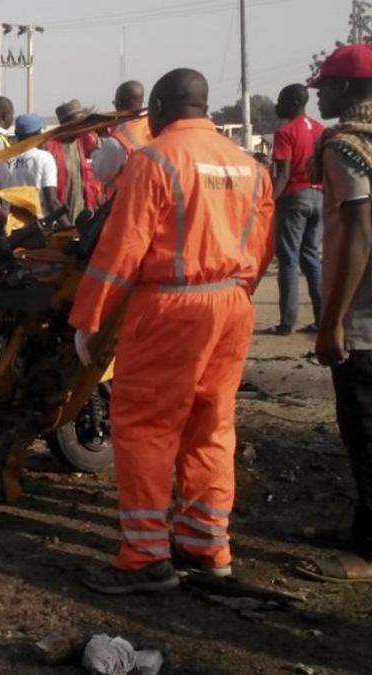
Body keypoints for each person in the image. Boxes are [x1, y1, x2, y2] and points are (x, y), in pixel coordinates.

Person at [70, 68, 274, 593]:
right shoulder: (249, 165)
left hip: (170, 310)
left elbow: (120, 253)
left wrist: (89, 320)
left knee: (145, 427)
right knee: (211, 425)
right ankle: (206, 548)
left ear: (159, 106)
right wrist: (233, 296)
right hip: (231, 303)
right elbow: (261, 248)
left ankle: (144, 557)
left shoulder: (154, 160)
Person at [302, 43, 372, 583]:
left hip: (365, 317)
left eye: (324, 86)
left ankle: (367, 552)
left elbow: (356, 231)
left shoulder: (349, 147)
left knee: (364, 431)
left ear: (346, 89)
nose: (319, 95)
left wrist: (333, 322)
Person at [266, 83, 325, 335]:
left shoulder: (285, 132)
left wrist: (268, 202)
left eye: (280, 101)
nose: (276, 106)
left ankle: (287, 322)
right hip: (319, 195)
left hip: (294, 197)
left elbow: (283, 175)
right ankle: (322, 319)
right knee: (311, 257)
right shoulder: (321, 130)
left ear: (292, 103)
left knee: (288, 260)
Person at [0, 113, 68, 226]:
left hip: (10, 229)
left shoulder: (1, 161)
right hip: (39, 229)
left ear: (17, 134)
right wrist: (71, 230)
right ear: (39, 134)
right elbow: (51, 202)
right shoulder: (44, 158)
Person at [91, 81, 151, 190]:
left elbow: (102, 173)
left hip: (127, 200)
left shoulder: (118, 141)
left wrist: (94, 152)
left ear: (120, 103)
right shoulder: (152, 124)